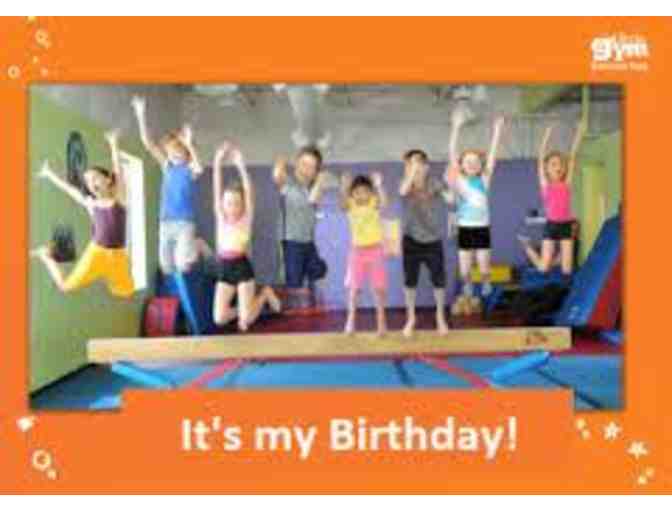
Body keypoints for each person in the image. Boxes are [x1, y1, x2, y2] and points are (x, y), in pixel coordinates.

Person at [31, 130, 134, 298]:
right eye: (88, 182)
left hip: (118, 255)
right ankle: (45, 255)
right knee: (65, 286)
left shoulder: (119, 199)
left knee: (126, 292)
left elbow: (118, 171)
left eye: (95, 178)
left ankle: (108, 275)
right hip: (97, 252)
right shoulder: (92, 204)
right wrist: (50, 174)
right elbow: (70, 190)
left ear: (108, 179)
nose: (92, 183)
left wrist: (114, 144)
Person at [212, 142, 281, 331]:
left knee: (247, 320)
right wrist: (217, 162)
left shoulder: (245, 218)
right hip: (224, 268)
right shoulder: (221, 217)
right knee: (219, 318)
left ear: (242, 205)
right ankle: (243, 311)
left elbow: (249, 191)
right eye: (228, 203)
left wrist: (241, 165)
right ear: (222, 204)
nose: (232, 207)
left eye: (236, 203)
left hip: (242, 267)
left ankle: (264, 294)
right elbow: (216, 187)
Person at [445, 111, 505, 298]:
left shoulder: (484, 180)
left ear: (480, 166)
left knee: (484, 265)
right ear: (461, 165)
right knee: (464, 267)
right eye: (467, 161)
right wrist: (456, 127)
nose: (471, 163)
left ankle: (486, 281)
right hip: (465, 227)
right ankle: (467, 284)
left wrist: (497, 131)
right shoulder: (460, 180)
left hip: (481, 228)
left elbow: (492, 155)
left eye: (475, 161)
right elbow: (452, 153)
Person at [518, 121, 586, 275]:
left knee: (567, 270)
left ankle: (558, 259)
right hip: (551, 226)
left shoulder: (567, 183)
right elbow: (540, 159)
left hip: (566, 226)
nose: (558, 167)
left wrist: (579, 134)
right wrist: (547, 135)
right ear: (547, 169)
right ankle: (527, 246)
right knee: (543, 268)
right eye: (554, 164)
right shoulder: (545, 185)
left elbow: (573, 157)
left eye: (560, 164)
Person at [398, 149, 452, 337]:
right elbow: (403, 191)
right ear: (406, 168)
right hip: (410, 240)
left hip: (433, 241)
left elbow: (450, 199)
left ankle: (440, 317)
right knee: (409, 282)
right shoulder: (405, 183)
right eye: (410, 164)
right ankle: (411, 318)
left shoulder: (434, 183)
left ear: (426, 167)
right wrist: (412, 171)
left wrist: (452, 185)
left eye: (419, 163)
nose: (415, 167)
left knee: (439, 281)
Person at [340, 172, 389, 337]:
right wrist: (345, 187)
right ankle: (350, 322)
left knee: (379, 289)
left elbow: (385, 202)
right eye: (357, 192)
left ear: (371, 193)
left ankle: (381, 323)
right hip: (357, 252)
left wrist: (379, 185)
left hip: (375, 250)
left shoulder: (374, 202)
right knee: (354, 289)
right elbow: (342, 204)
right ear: (352, 194)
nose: (361, 195)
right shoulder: (351, 204)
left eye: (365, 192)